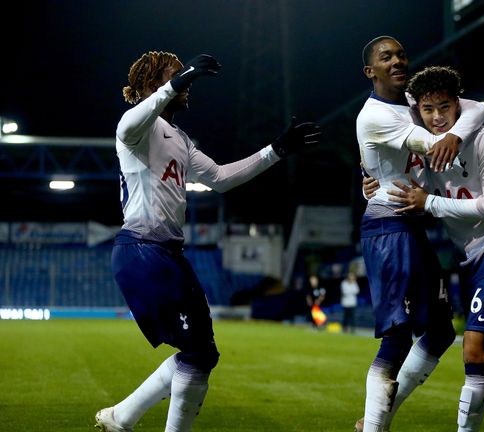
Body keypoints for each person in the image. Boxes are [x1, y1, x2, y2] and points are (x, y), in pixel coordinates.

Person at [95, 50, 320, 432]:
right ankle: (128, 417)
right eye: (175, 75)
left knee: (203, 354)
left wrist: (275, 150)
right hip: (141, 250)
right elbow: (128, 123)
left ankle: (122, 417)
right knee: (198, 352)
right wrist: (178, 83)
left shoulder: (179, 138)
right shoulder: (137, 130)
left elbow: (220, 177)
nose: (186, 81)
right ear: (154, 85)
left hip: (165, 253)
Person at [384, 66, 484, 431]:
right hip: (468, 257)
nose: (437, 117)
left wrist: (431, 203)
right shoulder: (424, 147)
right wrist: (369, 178)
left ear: (458, 105)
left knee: (473, 349)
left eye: (445, 107)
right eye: (428, 109)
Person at [355, 35, 484, 432]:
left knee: (441, 331)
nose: (397, 60)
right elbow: (434, 145)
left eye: (400, 54)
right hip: (388, 226)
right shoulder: (377, 114)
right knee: (397, 338)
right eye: (386, 57)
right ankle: (375, 427)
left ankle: (380, 419)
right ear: (371, 71)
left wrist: (456, 133)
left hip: (411, 223)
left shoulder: (410, 107)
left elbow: (476, 108)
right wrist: (447, 136)